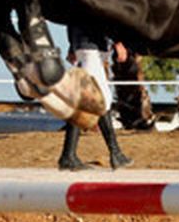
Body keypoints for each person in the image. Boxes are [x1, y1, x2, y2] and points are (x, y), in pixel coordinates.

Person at [57, 23, 133, 171]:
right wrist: (118, 42)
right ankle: (114, 154)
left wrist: (72, 46)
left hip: (85, 47)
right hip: (91, 49)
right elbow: (100, 13)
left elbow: (71, 20)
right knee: (102, 99)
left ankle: (69, 155)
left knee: (94, 101)